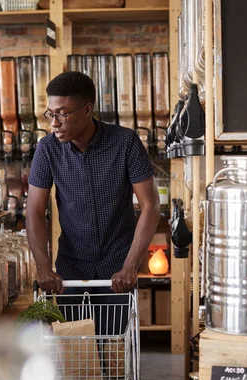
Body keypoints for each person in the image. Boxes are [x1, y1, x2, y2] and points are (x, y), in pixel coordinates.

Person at [26, 71, 160, 334]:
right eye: (50, 114)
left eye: (62, 113)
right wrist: (43, 267)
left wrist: (130, 267)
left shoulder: (125, 142)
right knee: (76, 355)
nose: (55, 122)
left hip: (117, 270)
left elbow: (150, 206)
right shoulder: (47, 149)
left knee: (113, 353)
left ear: (87, 109)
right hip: (71, 269)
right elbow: (34, 210)